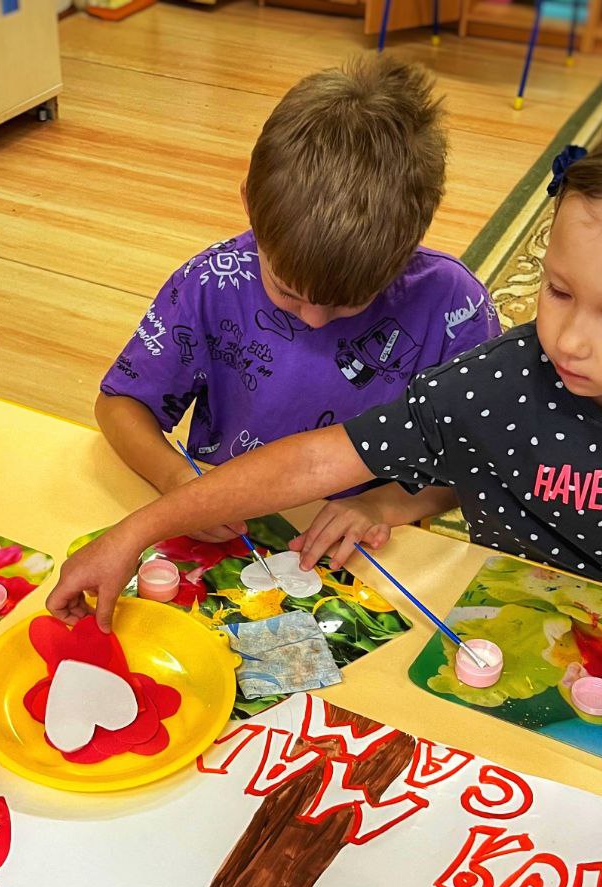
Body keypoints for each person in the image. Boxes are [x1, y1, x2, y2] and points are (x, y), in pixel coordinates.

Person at [48, 101, 602, 627]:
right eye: (555, 290)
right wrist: (137, 530)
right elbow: (319, 460)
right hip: (501, 614)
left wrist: (384, 507)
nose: (569, 341)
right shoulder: (497, 381)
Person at [96, 54, 498, 546]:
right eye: (287, 291)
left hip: (367, 553)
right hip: (226, 533)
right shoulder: (213, 282)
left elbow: (471, 463)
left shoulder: (454, 309)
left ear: (406, 248)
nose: (312, 320)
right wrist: (178, 482)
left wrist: (381, 504)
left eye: (347, 302)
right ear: (249, 204)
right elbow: (120, 406)